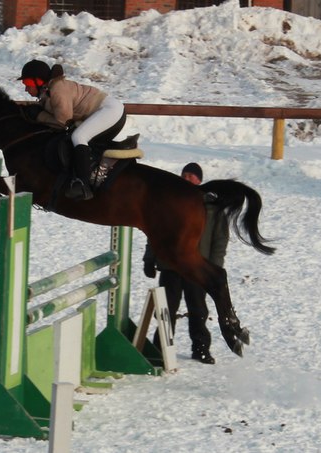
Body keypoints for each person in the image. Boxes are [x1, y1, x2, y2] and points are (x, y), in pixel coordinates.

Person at [142, 163, 229, 365]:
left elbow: (220, 240)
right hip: (170, 266)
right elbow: (155, 232)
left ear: (200, 180)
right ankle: (160, 349)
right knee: (166, 310)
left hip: (197, 267)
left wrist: (213, 267)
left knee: (198, 310)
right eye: (184, 175)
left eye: (191, 176)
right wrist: (149, 259)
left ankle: (201, 349)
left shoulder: (212, 207)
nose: (186, 178)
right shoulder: (168, 203)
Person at [18, 59, 126, 201]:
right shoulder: (48, 91)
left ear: (39, 81)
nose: (26, 89)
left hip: (110, 111)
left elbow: (63, 123)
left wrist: (39, 115)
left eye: (27, 83)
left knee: (78, 136)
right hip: (106, 111)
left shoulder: (57, 89)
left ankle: (82, 183)